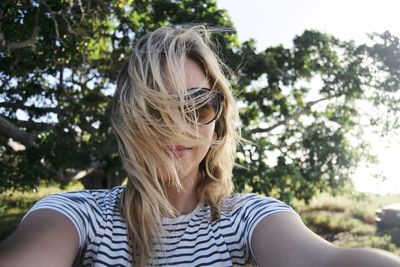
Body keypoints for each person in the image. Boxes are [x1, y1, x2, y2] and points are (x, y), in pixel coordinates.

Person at [0, 25, 400, 267]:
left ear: (218, 121)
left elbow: (325, 261)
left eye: (197, 106)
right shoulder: (76, 214)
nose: (177, 125)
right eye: (155, 108)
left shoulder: (248, 218)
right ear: (127, 119)